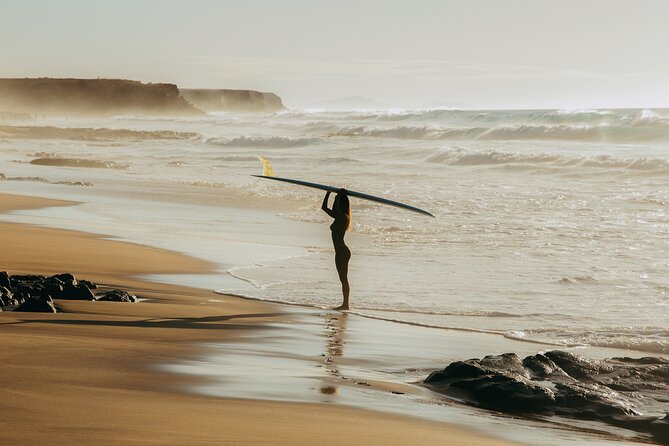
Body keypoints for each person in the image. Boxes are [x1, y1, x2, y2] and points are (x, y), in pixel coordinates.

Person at [322, 189, 351, 310]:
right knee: (342, 279)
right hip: (340, 252)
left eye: (338, 203)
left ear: (341, 205)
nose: (336, 205)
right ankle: (345, 304)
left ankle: (345, 305)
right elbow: (324, 207)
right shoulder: (338, 217)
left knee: (344, 279)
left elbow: (335, 210)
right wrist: (328, 193)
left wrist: (337, 197)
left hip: (342, 252)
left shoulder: (343, 217)